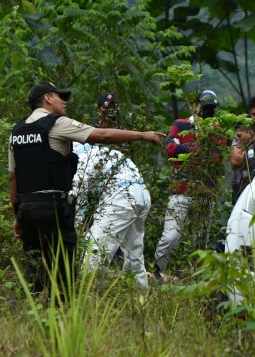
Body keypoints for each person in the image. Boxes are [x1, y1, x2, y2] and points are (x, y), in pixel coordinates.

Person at [8, 82, 162, 301]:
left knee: (34, 267)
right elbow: (103, 136)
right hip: (52, 207)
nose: (64, 101)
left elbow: (13, 177)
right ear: (48, 98)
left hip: (27, 208)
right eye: (60, 97)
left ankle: (27, 310)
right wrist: (142, 135)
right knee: (64, 274)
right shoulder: (57, 123)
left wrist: (17, 215)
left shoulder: (16, 132)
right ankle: (66, 313)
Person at [153, 89, 225, 280]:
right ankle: (158, 271)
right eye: (204, 107)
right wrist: (199, 151)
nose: (207, 111)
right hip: (181, 190)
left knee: (200, 239)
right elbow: (170, 148)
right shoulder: (180, 124)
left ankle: (195, 277)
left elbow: (216, 157)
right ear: (196, 106)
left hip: (205, 192)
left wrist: (185, 150)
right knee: (171, 236)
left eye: (210, 108)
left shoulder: (216, 130)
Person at [72, 138, 152, 288]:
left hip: (122, 199)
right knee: (134, 251)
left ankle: (86, 292)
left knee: (93, 249)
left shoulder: (81, 159)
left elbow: (78, 199)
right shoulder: (102, 152)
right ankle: (140, 292)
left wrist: (75, 229)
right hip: (142, 195)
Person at [229, 122, 255, 200]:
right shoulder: (247, 149)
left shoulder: (252, 150)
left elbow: (250, 174)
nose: (236, 140)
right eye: (236, 137)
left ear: (250, 133)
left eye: (239, 136)